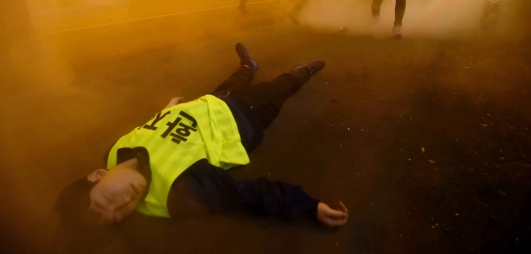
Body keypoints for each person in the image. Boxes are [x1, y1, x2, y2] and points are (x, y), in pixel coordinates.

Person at [57, 44, 348, 228]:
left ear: (98, 175)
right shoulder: (176, 193)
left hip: (208, 102)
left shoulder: (115, 151)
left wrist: (167, 110)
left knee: (235, 80)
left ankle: (248, 65)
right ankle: (303, 72)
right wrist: (307, 206)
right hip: (246, 116)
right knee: (281, 87)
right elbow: (244, 195)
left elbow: (145, 133)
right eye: (120, 213)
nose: (124, 201)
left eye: (107, 198)